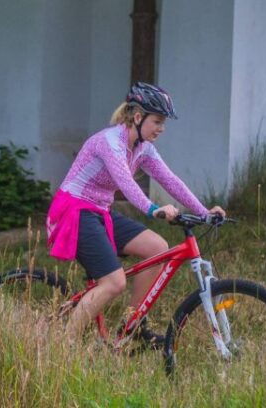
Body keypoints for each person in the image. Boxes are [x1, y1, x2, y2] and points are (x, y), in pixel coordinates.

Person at [46, 82, 226, 346]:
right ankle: (63, 347)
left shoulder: (142, 148)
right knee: (114, 282)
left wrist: (204, 212)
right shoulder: (110, 142)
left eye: (163, 123)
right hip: (74, 210)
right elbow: (128, 185)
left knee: (157, 248)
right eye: (157, 121)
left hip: (100, 211)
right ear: (138, 117)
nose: (161, 129)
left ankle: (133, 326)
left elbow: (171, 181)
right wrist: (154, 210)